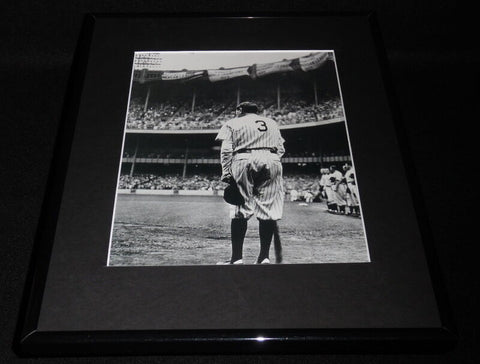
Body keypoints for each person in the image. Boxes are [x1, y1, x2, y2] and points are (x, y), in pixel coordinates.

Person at [215, 101, 285, 264]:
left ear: (240, 110)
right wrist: (271, 159)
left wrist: (226, 172)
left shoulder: (233, 122)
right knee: (268, 210)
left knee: (241, 209)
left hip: (244, 158)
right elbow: (281, 147)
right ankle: (264, 258)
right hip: (272, 159)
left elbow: (226, 150)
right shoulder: (272, 123)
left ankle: (237, 259)